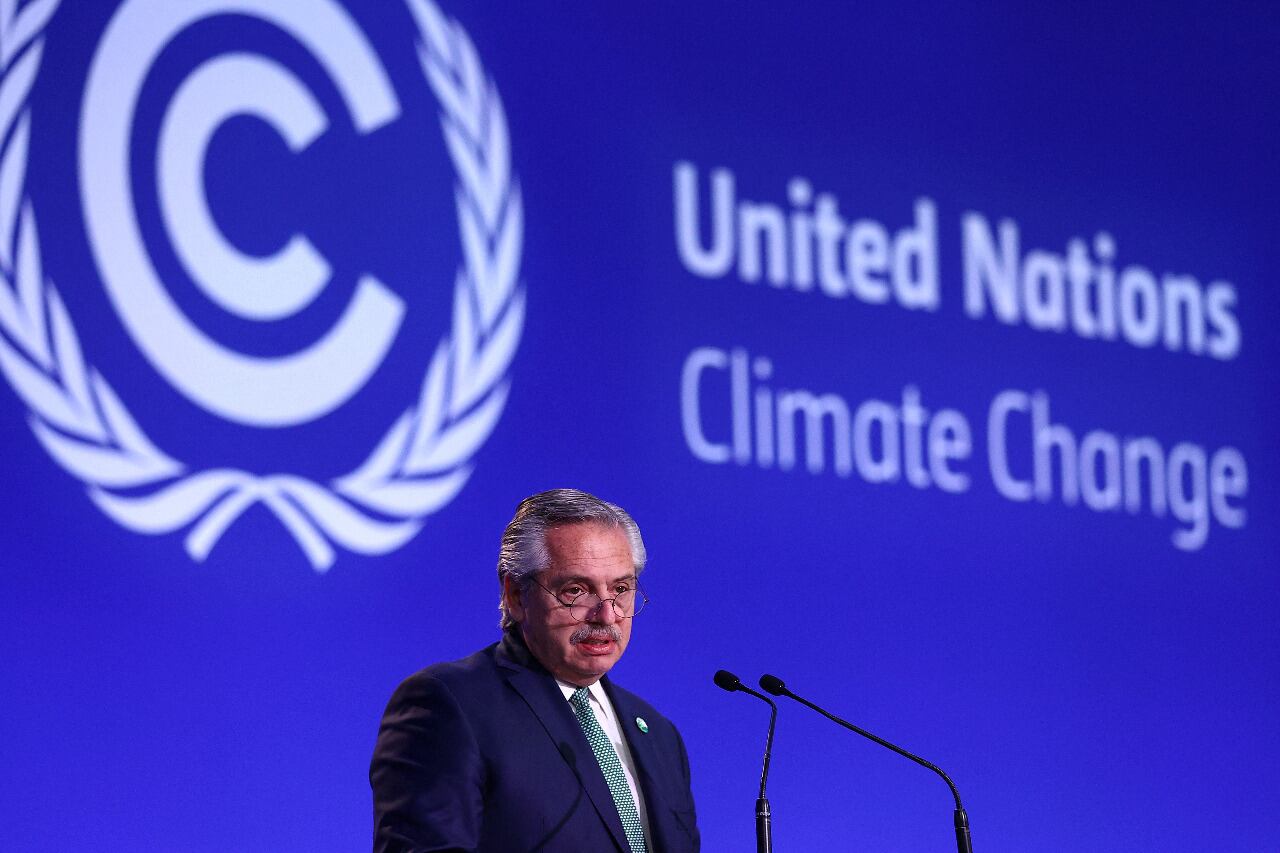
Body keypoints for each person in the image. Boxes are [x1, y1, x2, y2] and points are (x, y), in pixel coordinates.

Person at [370, 489, 699, 852]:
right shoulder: (451, 705)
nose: (607, 615)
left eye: (621, 589)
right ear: (516, 596)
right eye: (576, 590)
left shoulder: (659, 735)